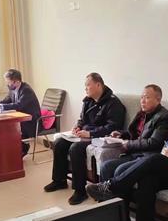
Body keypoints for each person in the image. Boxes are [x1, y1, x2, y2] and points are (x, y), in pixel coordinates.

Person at [43, 72, 126, 205]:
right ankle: (59, 180)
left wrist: (90, 133)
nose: (85, 88)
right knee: (59, 143)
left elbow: (113, 126)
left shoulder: (113, 103)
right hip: (85, 134)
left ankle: (80, 190)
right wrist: (78, 126)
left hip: (101, 138)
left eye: (88, 85)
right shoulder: (88, 100)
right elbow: (82, 119)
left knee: (76, 148)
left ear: (98, 85)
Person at [94, 84, 168, 182]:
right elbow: (135, 133)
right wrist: (122, 134)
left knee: (118, 169)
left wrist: (129, 144)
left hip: (146, 157)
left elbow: (154, 142)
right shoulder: (142, 113)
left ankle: (111, 190)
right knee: (105, 166)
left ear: (158, 100)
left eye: (147, 98)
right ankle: (104, 191)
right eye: (142, 97)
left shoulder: (163, 117)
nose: (142, 101)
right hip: (135, 153)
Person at [0, 69, 41, 156]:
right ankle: (14, 151)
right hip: (23, 119)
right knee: (8, 126)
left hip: (32, 121)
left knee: (12, 127)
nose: (7, 84)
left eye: (9, 82)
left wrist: (1, 107)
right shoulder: (13, 89)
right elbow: (6, 101)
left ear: (17, 82)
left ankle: (22, 149)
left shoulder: (26, 90)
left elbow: (19, 105)